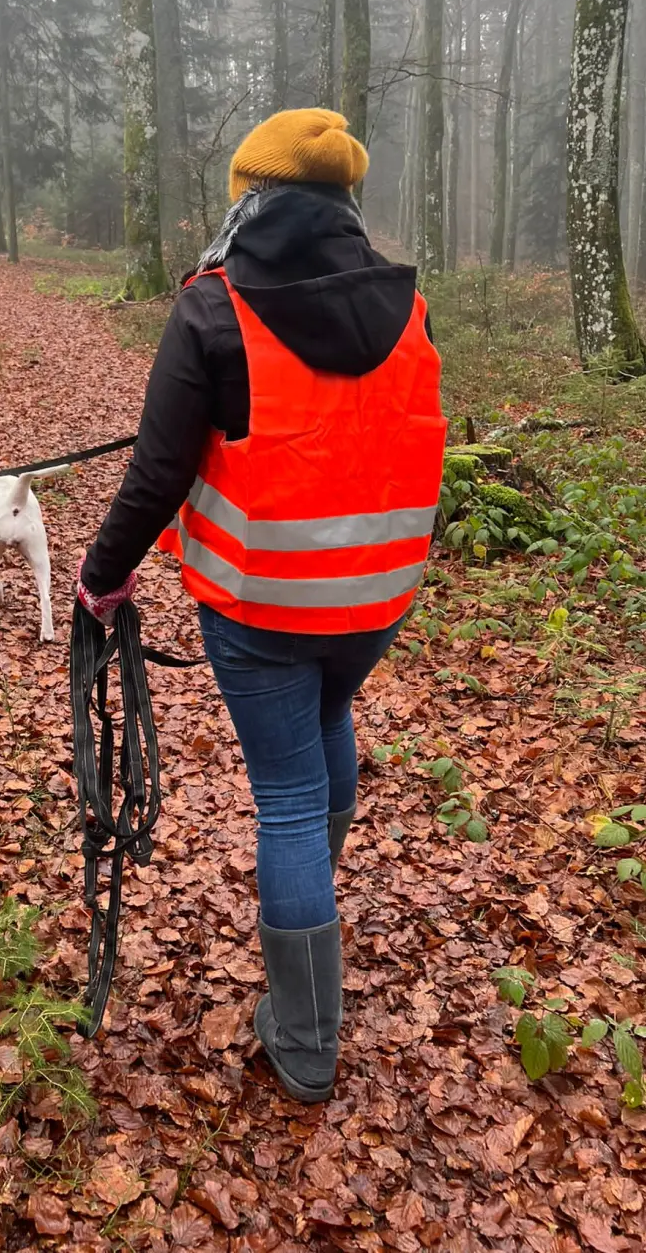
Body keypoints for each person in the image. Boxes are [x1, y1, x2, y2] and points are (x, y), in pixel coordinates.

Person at [77, 108, 446, 1102]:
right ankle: (311, 941)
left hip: (263, 607)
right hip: (375, 602)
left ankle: (306, 1041)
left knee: (284, 802)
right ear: (343, 203)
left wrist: (101, 579)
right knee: (329, 722)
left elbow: (158, 473)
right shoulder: (407, 304)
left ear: (252, 198)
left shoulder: (213, 307)